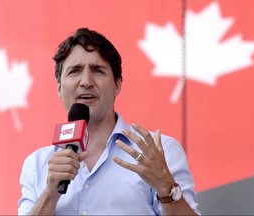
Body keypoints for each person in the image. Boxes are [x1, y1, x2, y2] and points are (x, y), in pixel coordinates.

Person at [18, 27, 200, 215]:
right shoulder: (37, 165)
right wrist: (50, 193)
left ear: (117, 84)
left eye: (98, 71)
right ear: (59, 88)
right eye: (75, 71)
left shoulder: (158, 151)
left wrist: (166, 187)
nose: (86, 81)